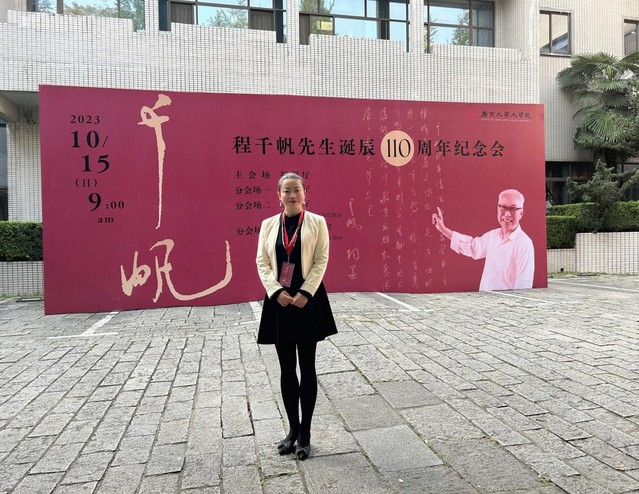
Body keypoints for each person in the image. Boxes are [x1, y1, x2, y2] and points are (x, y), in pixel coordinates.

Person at [255, 172, 337, 461]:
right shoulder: (268, 225)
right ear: (278, 195)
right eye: (287, 190)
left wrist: (306, 292)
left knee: (307, 367)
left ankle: (306, 434)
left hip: (307, 302)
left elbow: (321, 260)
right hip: (280, 303)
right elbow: (262, 262)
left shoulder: (317, 222)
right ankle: (292, 430)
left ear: (305, 193)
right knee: (286, 369)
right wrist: (276, 291)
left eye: (297, 190)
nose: (292, 195)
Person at [431, 188, 534, 291]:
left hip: (506, 300)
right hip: (484, 298)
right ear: (498, 208)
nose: (507, 214)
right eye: (503, 207)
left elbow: (524, 284)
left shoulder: (524, 244)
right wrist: (443, 230)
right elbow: (472, 247)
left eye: (513, 209)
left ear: (521, 213)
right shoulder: (492, 236)